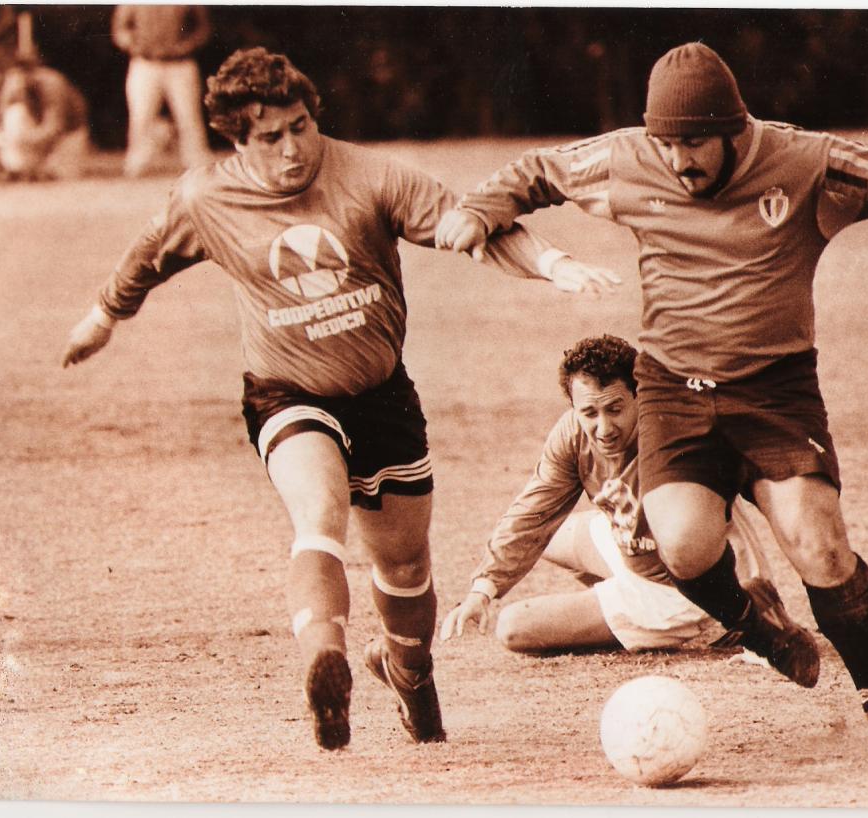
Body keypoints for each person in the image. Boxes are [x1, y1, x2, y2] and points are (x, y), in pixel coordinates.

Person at [436, 42, 868, 768]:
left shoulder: (801, 161)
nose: (679, 161)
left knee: (819, 542)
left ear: (734, 129)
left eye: (695, 144)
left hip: (774, 391)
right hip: (674, 391)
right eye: (667, 144)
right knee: (680, 544)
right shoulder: (625, 160)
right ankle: (758, 628)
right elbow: (536, 173)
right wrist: (480, 209)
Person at [60, 47, 618, 751]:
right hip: (286, 392)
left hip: (381, 394)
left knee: (405, 566)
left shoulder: (369, 174)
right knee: (318, 512)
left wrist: (552, 263)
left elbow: (470, 224)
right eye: (271, 137)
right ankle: (324, 662)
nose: (293, 147)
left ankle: (407, 670)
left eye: (300, 125)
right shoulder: (206, 198)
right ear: (238, 140)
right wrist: (102, 319)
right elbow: (146, 259)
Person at [442, 334, 813, 668]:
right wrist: (484, 589)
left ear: (639, 395)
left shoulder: (672, 429)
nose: (603, 428)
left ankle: (698, 619)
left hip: (682, 589)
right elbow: (533, 514)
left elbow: (735, 516)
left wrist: (753, 619)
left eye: (615, 409)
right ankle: (611, 602)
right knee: (550, 536)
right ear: (573, 407)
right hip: (630, 546)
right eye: (589, 412)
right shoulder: (572, 434)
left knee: (513, 627)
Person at [111, 4, 213, 176]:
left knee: (188, 115)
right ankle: (137, 165)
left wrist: (186, 46)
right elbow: (120, 29)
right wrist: (133, 45)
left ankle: (197, 163)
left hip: (180, 62)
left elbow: (202, 29)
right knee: (141, 115)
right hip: (145, 62)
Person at [0, 57, 90, 181]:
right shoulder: (10, 88)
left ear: (32, 74)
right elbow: (1, 124)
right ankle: (20, 167)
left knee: (59, 176)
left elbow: (54, 128)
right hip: (38, 129)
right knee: (14, 115)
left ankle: (37, 167)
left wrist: (25, 139)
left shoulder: (52, 84)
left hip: (69, 132)